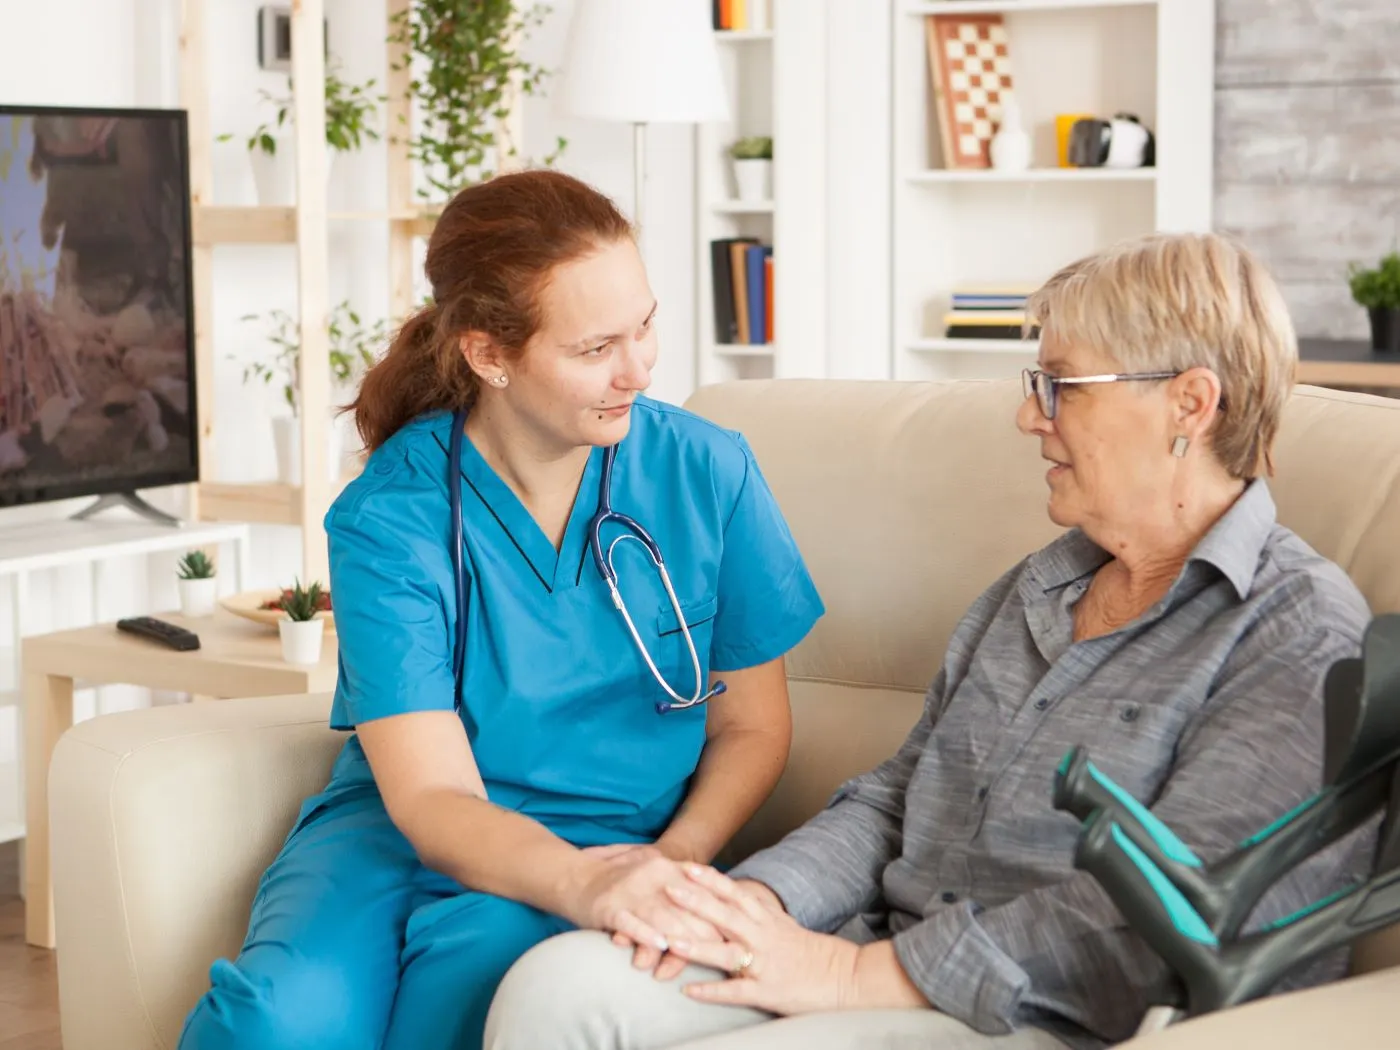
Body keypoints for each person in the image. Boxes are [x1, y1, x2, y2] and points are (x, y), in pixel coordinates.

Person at [482, 231, 1378, 1050]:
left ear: (1190, 403)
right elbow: (894, 801)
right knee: (555, 990)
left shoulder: (1296, 631)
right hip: (874, 953)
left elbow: (1178, 912)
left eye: (1060, 386)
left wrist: (853, 977)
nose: (1031, 417)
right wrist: (751, 903)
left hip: (1044, 1016)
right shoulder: (1039, 589)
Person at [176, 169, 825, 1050]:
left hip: (611, 838)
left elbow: (753, 725)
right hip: (398, 830)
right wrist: (586, 887)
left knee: (461, 1003)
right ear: (489, 355)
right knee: (275, 1024)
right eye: (596, 348)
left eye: (644, 326)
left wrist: (666, 865)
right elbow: (432, 793)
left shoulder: (708, 471)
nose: (639, 369)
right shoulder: (393, 514)